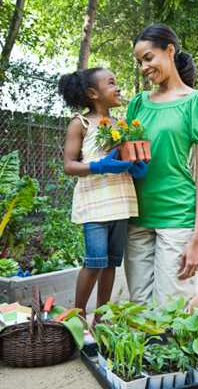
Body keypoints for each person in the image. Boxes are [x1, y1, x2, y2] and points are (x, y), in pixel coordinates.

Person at [124, 23, 198, 309]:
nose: (143, 67)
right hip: (137, 217)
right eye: (139, 62)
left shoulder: (197, 102)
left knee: (168, 312)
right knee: (140, 308)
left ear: (169, 50)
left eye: (148, 58)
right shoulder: (138, 104)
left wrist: (196, 240)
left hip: (176, 214)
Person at [58, 68, 147, 320]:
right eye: (111, 83)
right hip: (95, 205)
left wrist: (137, 166)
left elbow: (128, 158)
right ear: (92, 93)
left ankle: (101, 316)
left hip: (121, 202)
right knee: (95, 261)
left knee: (111, 262)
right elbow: (69, 165)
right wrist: (98, 166)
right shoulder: (81, 123)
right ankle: (78, 314)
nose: (118, 88)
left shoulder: (122, 125)